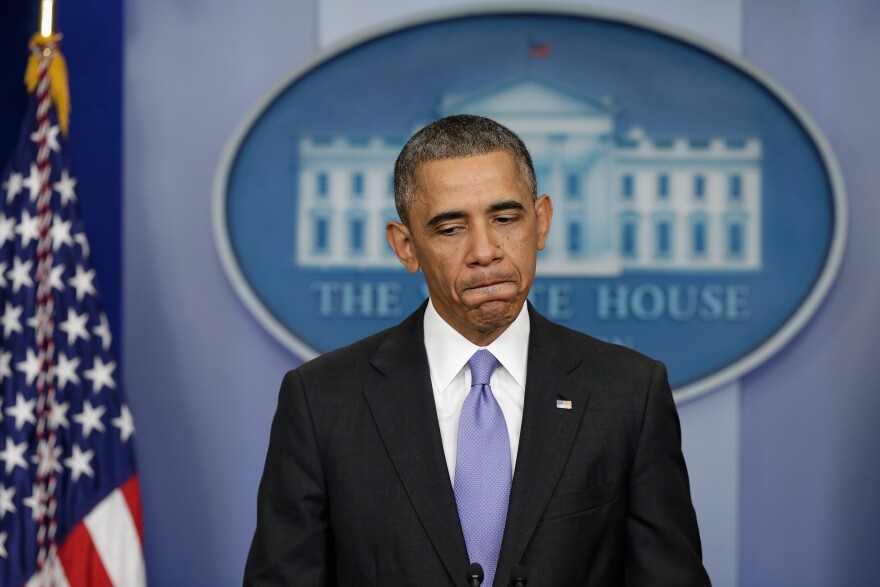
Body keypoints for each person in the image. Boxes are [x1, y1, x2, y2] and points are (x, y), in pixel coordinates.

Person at [243, 115, 711, 586]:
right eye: (450, 229)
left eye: (505, 219)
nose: (485, 251)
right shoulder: (321, 400)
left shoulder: (629, 392)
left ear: (541, 221)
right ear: (406, 247)